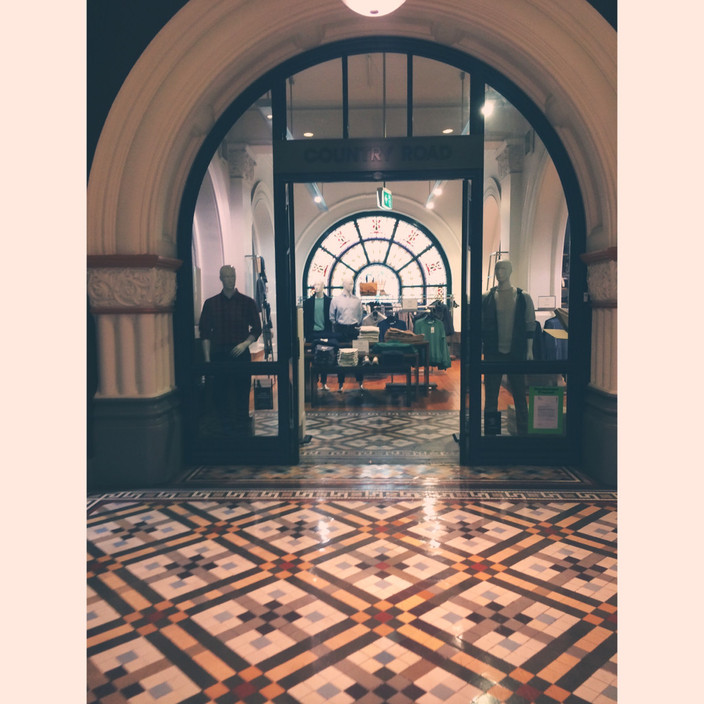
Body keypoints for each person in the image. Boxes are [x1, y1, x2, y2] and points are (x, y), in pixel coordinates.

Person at [199, 265, 262, 434]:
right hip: (219, 353)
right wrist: (207, 360)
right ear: (221, 278)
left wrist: (244, 344)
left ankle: (241, 427)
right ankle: (224, 427)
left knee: (242, 391)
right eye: (226, 276)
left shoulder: (247, 302)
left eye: (232, 275)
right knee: (221, 392)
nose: (230, 279)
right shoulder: (211, 304)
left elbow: (257, 328)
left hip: (240, 353)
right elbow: (204, 332)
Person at [481, 259, 535, 435]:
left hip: (516, 352)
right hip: (493, 352)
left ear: (510, 271)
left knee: (520, 395)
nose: (499, 272)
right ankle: (490, 433)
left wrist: (529, 350)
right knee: (491, 396)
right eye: (497, 268)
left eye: (503, 268)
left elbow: (529, 325)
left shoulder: (522, 297)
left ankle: (523, 433)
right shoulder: (487, 297)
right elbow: (481, 325)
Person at [329, 274, 363, 390]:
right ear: (343, 284)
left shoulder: (357, 301)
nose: (351, 285)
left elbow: (360, 316)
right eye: (349, 283)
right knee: (341, 356)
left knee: (357, 355)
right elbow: (332, 316)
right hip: (341, 329)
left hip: (353, 329)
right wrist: (337, 326)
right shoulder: (336, 299)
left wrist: (356, 325)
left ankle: (360, 382)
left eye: (353, 283)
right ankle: (341, 383)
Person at [303, 279, 333, 390]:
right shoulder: (308, 302)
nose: (316, 286)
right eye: (315, 284)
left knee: (324, 356)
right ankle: (314, 382)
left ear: (323, 286)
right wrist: (305, 335)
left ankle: (324, 382)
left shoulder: (329, 301)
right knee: (313, 358)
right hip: (312, 333)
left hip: (325, 332)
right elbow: (305, 320)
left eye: (319, 284)